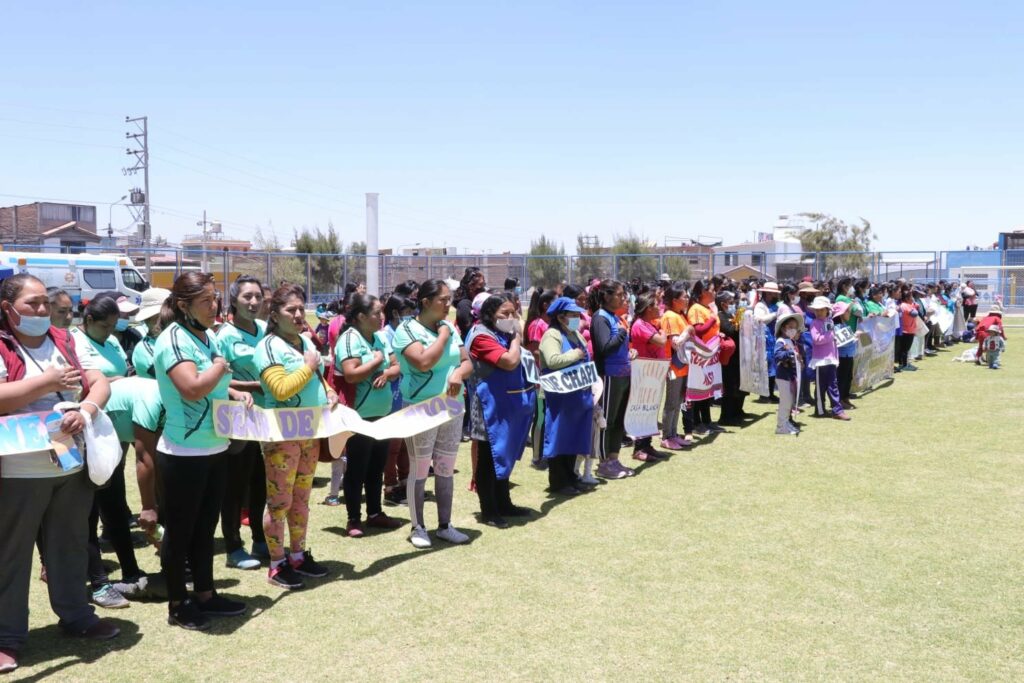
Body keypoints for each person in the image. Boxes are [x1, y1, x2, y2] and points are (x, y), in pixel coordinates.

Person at [0, 274, 118, 675]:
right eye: (31, 304)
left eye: (44, 304)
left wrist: (85, 411)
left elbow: (99, 381)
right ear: (8, 309)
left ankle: (77, 617)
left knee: (69, 545)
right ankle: (7, 638)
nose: (40, 310)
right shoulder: (1, 345)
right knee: (10, 555)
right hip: (18, 469)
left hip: (70, 462)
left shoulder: (66, 339)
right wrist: (47, 382)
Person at [154, 271, 250, 630]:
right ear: (184, 306)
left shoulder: (206, 336)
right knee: (180, 532)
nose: (215, 306)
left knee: (206, 528)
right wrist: (219, 368)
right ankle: (178, 603)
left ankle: (206, 594)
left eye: (215, 298)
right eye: (206, 301)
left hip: (214, 445)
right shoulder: (174, 340)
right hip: (183, 452)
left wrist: (235, 392)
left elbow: (214, 386)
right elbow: (192, 388)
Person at [254, 284, 335, 588]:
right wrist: (308, 366)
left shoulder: (304, 341)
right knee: (279, 501)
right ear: (274, 314)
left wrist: (330, 391)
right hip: (282, 434)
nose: (299, 314)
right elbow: (280, 389)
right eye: (291, 310)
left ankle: (298, 556)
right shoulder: (268, 347)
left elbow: (317, 379)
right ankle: (277, 563)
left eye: (301, 308)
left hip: (310, 432)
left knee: (301, 498)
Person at [390, 279, 473, 549]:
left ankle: (445, 525)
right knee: (420, 468)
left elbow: (466, 362)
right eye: (443, 300)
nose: (449, 305)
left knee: (446, 469)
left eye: (450, 299)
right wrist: (443, 337)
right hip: (421, 410)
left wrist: (460, 374)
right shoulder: (407, 330)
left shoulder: (449, 327)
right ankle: (418, 527)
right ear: (425, 302)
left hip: (451, 407)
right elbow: (424, 362)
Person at [71, 296, 142, 609]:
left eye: (114, 325)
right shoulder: (75, 341)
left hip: (112, 432)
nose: (110, 331)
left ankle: (129, 570)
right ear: (87, 320)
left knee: (114, 501)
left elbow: (121, 373)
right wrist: (115, 381)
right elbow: (89, 380)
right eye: (104, 325)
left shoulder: (112, 340)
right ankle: (98, 582)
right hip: (85, 434)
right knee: (89, 510)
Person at [336, 293, 404, 536]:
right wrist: (377, 363)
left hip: (382, 415)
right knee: (357, 469)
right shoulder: (349, 339)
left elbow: (397, 366)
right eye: (376, 313)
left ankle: (375, 514)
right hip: (358, 417)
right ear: (361, 317)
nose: (381, 317)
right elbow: (351, 374)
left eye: (382, 312)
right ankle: (353, 519)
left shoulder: (380, 338)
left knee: (377, 466)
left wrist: (387, 374)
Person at [466, 293, 534, 527]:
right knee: (488, 457)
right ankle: (489, 511)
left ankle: (504, 503)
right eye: (504, 314)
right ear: (488, 315)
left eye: (513, 313)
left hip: (506, 402)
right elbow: (509, 361)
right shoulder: (480, 336)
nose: (510, 317)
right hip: (487, 405)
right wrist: (516, 337)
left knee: (503, 453)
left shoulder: (500, 332)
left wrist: (514, 331)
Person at [215, 276, 269, 570]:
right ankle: (233, 547)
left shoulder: (264, 330)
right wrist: (253, 386)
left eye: (258, 296)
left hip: (267, 417)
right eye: (247, 296)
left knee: (262, 481)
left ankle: (260, 539)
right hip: (237, 417)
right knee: (236, 484)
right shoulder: (223, 335)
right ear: (234, 300)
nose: (253, 302)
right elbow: (219, 376)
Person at [538, 297, 594, 495]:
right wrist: (575, 355)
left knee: (574, 437)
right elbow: (552, 360)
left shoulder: (575, 334)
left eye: (578, 315)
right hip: (560, 397)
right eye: (572, 315)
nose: (577, 318)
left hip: (578, 396)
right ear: (560, 317)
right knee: (560, 437)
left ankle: (571, 476)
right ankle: (559, 481)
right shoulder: (552, 335)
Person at [589, 280, 638, 478]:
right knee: (606, 420)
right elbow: (604, 347)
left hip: (623, 375)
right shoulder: (600, 318)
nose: (623, 298)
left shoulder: (615, 317)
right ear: (607, 296)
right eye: (619, 294)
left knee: (619, 421)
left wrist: (630, 351)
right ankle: (603, 463)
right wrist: (623, 333)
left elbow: (618, 346)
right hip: (609, 376)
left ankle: (614, 458)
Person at [380, 295, 415, 506]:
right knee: (392, 445)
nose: (411, 317)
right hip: (391, 395)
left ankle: (405, 483)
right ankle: (390, 488)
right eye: (407, 313)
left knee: (405, 444)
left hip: (406, 392)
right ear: (395, 313)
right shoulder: (385, 335)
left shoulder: (406, 332)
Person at [629, 293, 668, 460]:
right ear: (647, 308)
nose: (659, 307)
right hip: (643, 373)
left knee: (650, 410)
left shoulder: (648, 324)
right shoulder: (640, 325)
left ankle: (647, 445)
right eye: (656, 305)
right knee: (642, 410)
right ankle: (639, 449)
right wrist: (665, 329)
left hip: (653, 373)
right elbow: (661, 341)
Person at [659, 282, 696, 449]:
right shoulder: (670, 316)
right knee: (671, 403)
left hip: (683, 365)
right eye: (684, 296)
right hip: (674, 366)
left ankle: (673, 434)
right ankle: (666, 436)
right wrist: (688, 331)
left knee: (678, 401)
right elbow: (675, 343)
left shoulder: (680, 315)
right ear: (675, 300)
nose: (687, 299)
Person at [686, 279, 724, 435]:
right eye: (712, 289)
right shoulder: (696, 308)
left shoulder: (707, 308)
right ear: (703, 292)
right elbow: (698, 330)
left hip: (710, 355)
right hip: (699, 355)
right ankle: (696, 422)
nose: (715, 292)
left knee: (707, 388)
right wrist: (712, 320)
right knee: (698, 388)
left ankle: (707, 421)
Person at [525, 288, 556, 468]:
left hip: (550, 376)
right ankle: (537, 456)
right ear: (545, 305)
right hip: (539, 378)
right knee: (541, 416)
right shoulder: (538, 325)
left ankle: (546, 451)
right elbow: (534, 351)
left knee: (548, 414)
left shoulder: (549, 324)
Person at [807, 296, 850, 421]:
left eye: (821, 309)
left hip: (830, 359)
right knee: (821, 386)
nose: (819, 312)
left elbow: (831, 340)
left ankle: (837, 410)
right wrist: (830, 336)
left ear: (827, 310)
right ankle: (820, 410)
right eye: (817, 310)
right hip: (820, 360)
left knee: (833, 385)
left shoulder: (829, 322)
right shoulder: (814, 323)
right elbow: (816, 339)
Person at [717, 291, 747, 426]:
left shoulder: (730, 314)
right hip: (728, 358)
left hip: (738, 356)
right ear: (723, 304)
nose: (733, 304)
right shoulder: (720, 316)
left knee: (738, 386)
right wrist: (739, 320)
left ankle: (737, 411)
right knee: (729, 388)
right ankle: (726, 417)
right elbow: (730, 330)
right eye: (730, 302)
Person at [774, 312, 805, 435]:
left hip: (790, 377)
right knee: (785, 402)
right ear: (783, 328)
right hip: (783, 377)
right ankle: (781, 426)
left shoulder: (792, 342)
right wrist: (790, 354)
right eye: (790, 327)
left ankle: (786, 423)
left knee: (789, 403)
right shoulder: (781, 341)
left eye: (795, 327)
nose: (793, 330)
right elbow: (777, 356)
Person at [131, 287, 171, 379]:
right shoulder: (144, 349)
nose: (159, 323)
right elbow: (172, 378)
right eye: (156, 318)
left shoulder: (179, 337)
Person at [753, 282, 781, 402]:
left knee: (773, 367)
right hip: (764, 339)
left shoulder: (776, 305)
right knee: (765, 366)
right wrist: (775, 315)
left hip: (773, 338)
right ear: (768, 293)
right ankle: (763, 394)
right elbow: (760, 320)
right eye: (773, 293)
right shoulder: (760, 306)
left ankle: (770, 393)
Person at [897, 288, 919, 372]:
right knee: (905, 349)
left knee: (905, 349)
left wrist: (913, 305)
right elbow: (914, 313)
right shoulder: (905, 305)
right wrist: (914, 305)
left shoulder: (906, 305)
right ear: (906, 298)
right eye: (911, 297)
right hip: (907, 330)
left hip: (908, 329)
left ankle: (904, 364)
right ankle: (904, 365)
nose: (912, 298)